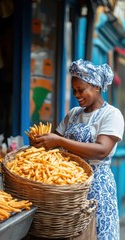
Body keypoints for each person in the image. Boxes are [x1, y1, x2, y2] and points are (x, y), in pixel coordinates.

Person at [32, 59, 125, 240]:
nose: (77, 94)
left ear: (97, 86)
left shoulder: (111, 115)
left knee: (98, 233)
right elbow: (54, 142)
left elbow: (101, 150)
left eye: (81, 89)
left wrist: (60, 141)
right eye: (74, 90)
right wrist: (40, 141)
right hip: (69, 188)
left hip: (97, 187)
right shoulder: (73, 114)